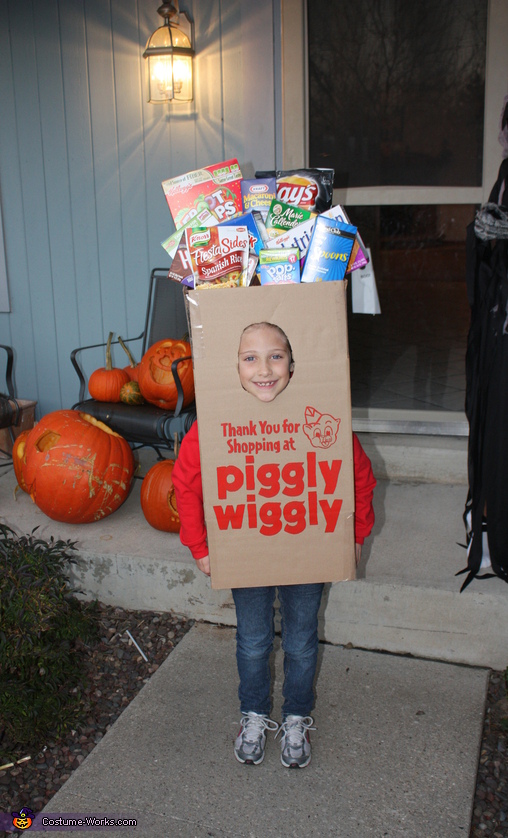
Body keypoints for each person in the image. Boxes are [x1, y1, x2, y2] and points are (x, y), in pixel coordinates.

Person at [172, 322, 376, 768]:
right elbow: (186, 483)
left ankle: (297, 715)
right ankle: (255, 713)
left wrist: (354, 535)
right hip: (248, 552)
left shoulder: (322, 416)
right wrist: (200, 546)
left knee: (302, 642)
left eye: (276, 355)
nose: (264, 368)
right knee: (253, 640)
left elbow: (358, 477)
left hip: (306, 553)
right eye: (250, 357)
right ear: (233, 366)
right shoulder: (213, 425)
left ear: (293, 362)